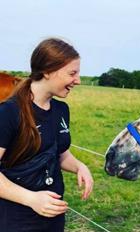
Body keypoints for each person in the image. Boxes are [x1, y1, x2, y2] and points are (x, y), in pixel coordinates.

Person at [0, 38, 94, 231]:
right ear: (48, 71)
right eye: (72, 73)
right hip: (16, 219)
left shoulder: (61, 110)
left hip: (53, 216)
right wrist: (32, 199)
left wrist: (79, 166)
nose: (78, 80)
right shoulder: (8, 112)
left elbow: (60, 154)